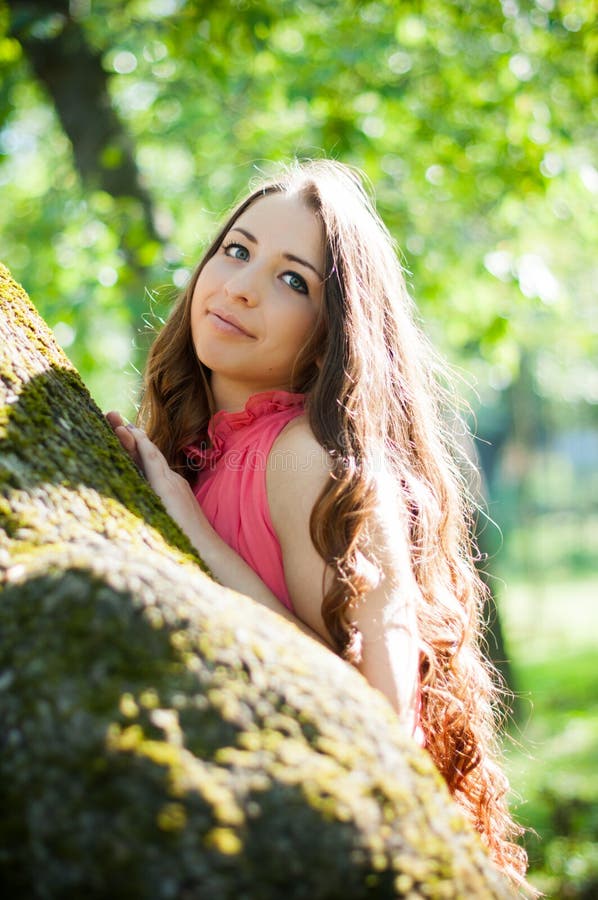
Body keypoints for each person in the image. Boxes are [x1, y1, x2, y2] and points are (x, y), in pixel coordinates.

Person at [108, 159, 528, 887]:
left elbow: (378, 722)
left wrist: (194, 534)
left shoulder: (312, 462)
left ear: (333, 331)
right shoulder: (203, 454)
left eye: (292, 279)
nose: (241, 285)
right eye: (236, 251)